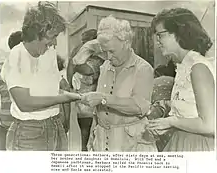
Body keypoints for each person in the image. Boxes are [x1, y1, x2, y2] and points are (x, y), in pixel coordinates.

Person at [0, 2, 81, 151]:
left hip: (55, 125)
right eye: (53, 36)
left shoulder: (49, 53)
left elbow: (53, 91)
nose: (55, 42)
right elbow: (24, 103)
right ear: (38, 32)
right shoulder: (16, 56)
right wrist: (66, 98)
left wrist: (78, 95)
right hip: (29, 133)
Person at [82, 16, 157, 152]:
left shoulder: (143, 68)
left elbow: (139, 107)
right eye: (105, 52)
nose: (108, 57)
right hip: (102, 141)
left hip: (130, 143)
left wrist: (103, 98)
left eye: (112, 51)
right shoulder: (105, 66)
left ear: (126, 43)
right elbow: (98, 110)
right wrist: (92, 136)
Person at [147, 8, 215, 151]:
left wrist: (171, 122)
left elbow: (210, 124)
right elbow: (189, 111)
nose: (157, 41)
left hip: (197, 146)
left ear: (179, 33)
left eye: (160, 35)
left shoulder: (198, 68)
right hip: (182, 140)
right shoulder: (183, 66)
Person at [67, 29, 105, 151]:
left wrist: (73, 63)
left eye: (85, 42)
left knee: (91, 139)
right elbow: (71, 76)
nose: (83, 46)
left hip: (93, 106)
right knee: (84, 139)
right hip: (82, 106)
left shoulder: (98, 60)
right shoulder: (83, 58)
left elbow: (87, 70)